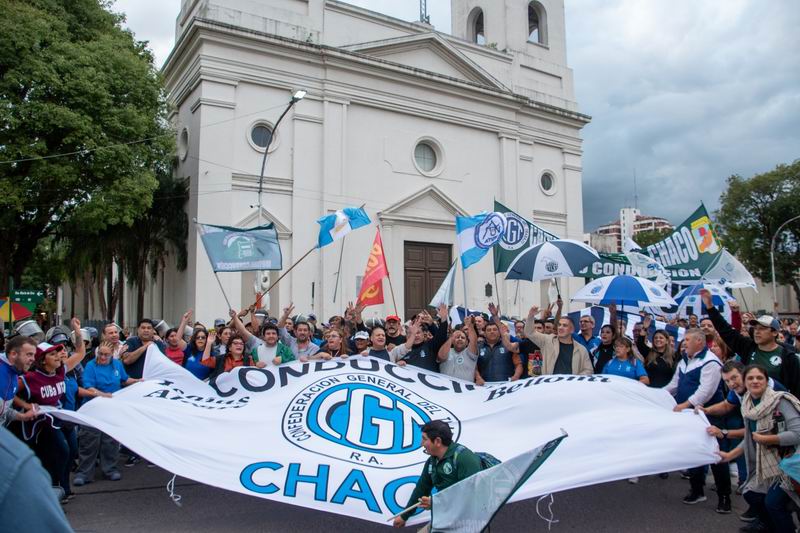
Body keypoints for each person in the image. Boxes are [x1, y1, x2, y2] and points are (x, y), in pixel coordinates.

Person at [718, 364, 800, 532]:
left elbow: (798, 434)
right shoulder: (747, 404)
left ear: (766, 380)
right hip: (769, 464)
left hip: (790, 463)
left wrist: (768, 439)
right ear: (745, 381)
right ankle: (769, 526)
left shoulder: (780, 401)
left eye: (759, 378)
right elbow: (750, 438)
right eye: (750, 378)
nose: (755, 381)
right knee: (751, 493)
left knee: (773, 503)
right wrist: (729, 455)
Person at [15, 318, 86, 502]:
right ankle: (54, 490)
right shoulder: (31, 378)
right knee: (59, 452)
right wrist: (26, 406)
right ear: (43, 359)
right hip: (42, 425)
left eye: (59, 352)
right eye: (53, 354)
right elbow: (8, 391)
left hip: (60, 418)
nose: (59, 355)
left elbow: (79, 352)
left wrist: (77, 332)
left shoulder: (60, 371)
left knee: (71, 451)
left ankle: (64, 488)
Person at [663, 327, 730, 512]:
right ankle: (697, 490)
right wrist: (657, 395)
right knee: (694, 452)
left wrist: (684, 405)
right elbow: (674, 385)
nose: (684, 343)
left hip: (710, 415)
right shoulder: (684, 361)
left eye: (687, 340)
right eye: (684, 340)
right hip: (690, 416)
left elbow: (705, 391)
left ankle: (724, 496)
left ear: (699, 341)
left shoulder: (711, 362)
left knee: (716, 455)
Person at [701, 289, 800, 397]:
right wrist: (710, 307)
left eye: (762, 328)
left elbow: (797, 389)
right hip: (750, 406)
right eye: (755, 328)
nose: (757, 332)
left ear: (775, 332)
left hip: (777, 408)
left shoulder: (789, 357)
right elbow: (726, 331)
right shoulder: (748, 348)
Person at [393, 420, 482, 528]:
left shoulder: (465, 459)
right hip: (447, 515)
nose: (421, 444)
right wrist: (404, 516)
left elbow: (472, 498)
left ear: (438, 441)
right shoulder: (432, 461)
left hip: (469, 521)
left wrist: (436, 503)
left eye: (424, 439)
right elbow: (421, 489)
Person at [73, 341, 140, 486]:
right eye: (100, 354)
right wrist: (103, 395)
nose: (103, 357)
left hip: (111, 409)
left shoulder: (117, 364)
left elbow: (124, 380)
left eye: (106, 355)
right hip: (93, 408)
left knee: (110, 441)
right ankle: (84, 473)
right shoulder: (91, 366)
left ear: (111, 355)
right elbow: (89, 387)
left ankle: (110, 469)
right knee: (89, 441)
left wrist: (139, 381)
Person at [0, 425, 73, 532]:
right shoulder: (13, 463)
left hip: (45, 423)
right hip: (28, 429)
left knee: (64, 451)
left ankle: (63, 488)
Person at [524, 306, 592, 376]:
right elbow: (530, 332)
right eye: (559, 325)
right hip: (550, 384)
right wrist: (531, 316)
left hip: (570, 385)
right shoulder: (547, 340)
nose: (560, 327)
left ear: (572, 330)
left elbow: (588, 370)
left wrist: (574, 380)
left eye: (565, 325)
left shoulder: (581, 350)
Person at [229, 310, 293, 366]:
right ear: (263, 336)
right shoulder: (255, 351)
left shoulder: (285, 349)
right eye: (268, 334)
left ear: (278, 336)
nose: (271, 336)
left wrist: (283, 359)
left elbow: (294, 362)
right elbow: (242, 331)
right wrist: (255, 364)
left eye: (273, 333)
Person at [475, 308, 522, 384]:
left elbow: (518, 364)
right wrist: (478, 377)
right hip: (484, 387)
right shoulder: (478, 347)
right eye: (489, 330)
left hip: (505, 387)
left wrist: (516, 376)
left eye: (494, 329)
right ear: (485, 333)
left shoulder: (508, 345)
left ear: (499, 332)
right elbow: (474, 366)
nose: (492, 332)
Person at [1, 336, 39, 426]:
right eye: (29, 354)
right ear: (13, 354)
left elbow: (3, 410)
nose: (33, 359)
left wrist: (22, 416)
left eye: (34, 355)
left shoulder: (15, 372)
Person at [636, 316, 677, 388]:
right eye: (655, 338)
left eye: (661, 338)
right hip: (648, 389)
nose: (658, 339)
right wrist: (644, 328)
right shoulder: (649, 353)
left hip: (664, 392)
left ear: (667, 341)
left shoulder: (674, 355)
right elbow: (640, 343)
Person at [438, 316, 478, 382]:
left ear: (467, 342)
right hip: (446, 389)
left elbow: (473, 341)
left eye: (462, 338)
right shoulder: (447, 350)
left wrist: (470, 325)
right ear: (453, 341)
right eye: (457, 337)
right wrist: (451, 337)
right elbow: (441, 357)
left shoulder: (470, 353)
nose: (460, 339)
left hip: (465, 390)